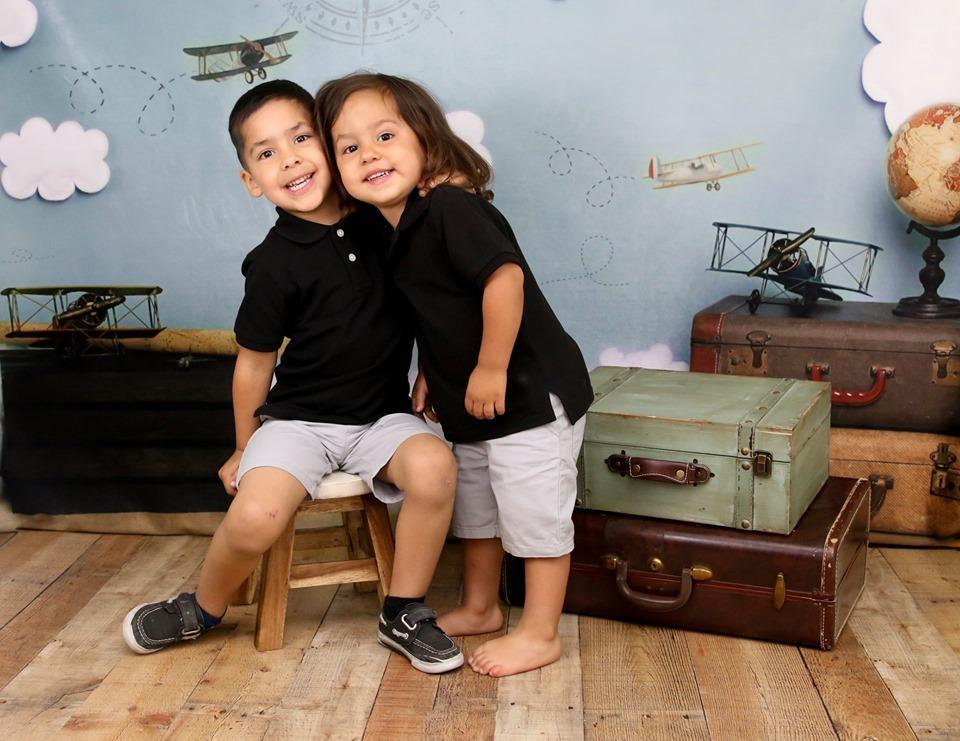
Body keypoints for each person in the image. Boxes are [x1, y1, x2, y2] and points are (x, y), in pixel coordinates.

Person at [121, 80, 464, 675]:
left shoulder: (389, 224)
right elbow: (256, 360)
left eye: (302, 138)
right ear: (252, 181)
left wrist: (433, 366)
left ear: (332, 149)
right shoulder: (273, 263)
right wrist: (242, 444)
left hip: (381, 416)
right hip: (298, 421)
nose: (290, 159)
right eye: (266, 152)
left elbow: (437, 293)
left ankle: (403, 609)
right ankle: (202, 607)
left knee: (437, 472)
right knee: (255, 515)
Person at [316, 73, 594, 677]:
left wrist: (491, 366)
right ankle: (479, 605)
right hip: (465, 397)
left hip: (526, 390)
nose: (370, 154)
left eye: (385, 135)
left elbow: (504, 281)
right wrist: (429, 371)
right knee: (479, 511)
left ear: (426, 141)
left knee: (533, 512)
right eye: (350, 147)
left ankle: (541, 632)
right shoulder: (392, 232)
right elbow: (433, 309)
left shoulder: (449, 206)